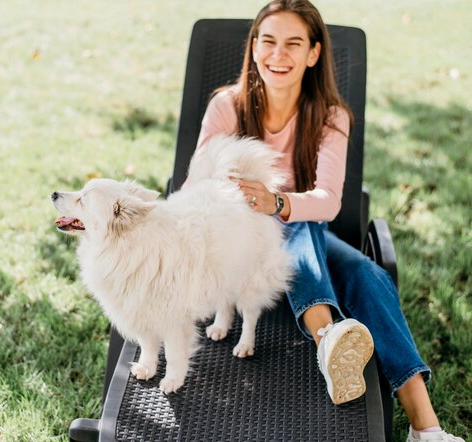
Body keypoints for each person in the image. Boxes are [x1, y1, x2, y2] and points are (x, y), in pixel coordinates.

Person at [191, 1, 465, 441]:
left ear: (314, 54)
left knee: (364, 271)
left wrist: (277, 202)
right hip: (237, 247)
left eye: (293, 44)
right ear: (254, 46)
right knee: (293, 221)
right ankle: (328, 342)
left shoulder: (331, 115)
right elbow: (196, 182)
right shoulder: (227, 106)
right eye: (269, 42)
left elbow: (328, 200)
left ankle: (426, 429)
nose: (278, 55)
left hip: (302, 239)